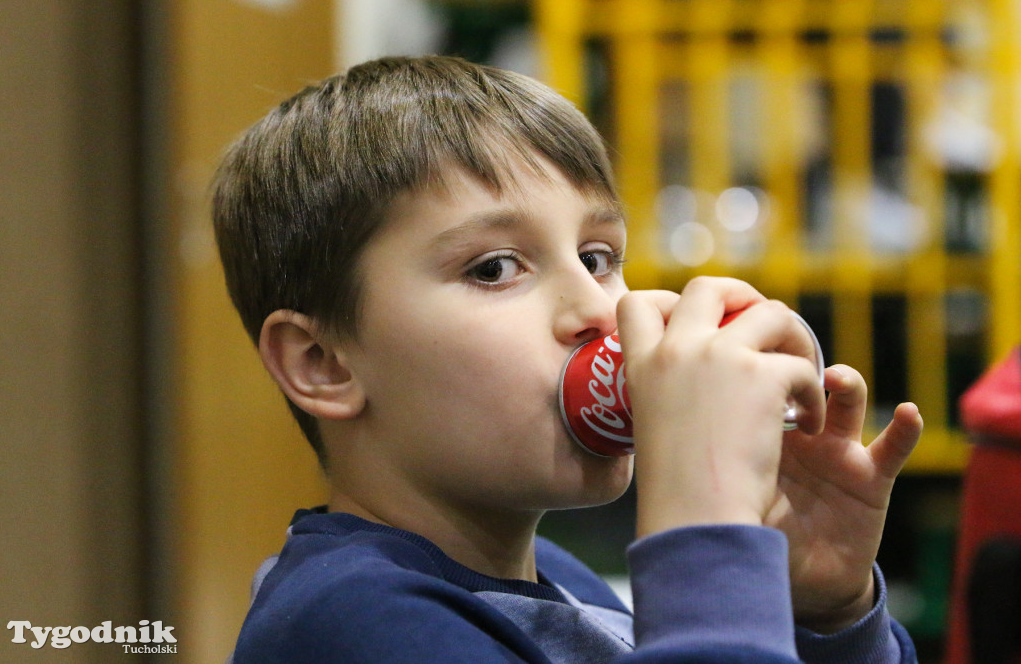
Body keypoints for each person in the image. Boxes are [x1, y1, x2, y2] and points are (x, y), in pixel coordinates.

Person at [212, 55, 924, 663]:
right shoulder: (349, 621)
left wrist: (822, 615)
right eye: (493, 268)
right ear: (322, 362)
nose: (601, 308)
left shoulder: (556, 579)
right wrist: (704, 531)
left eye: (597, 257)